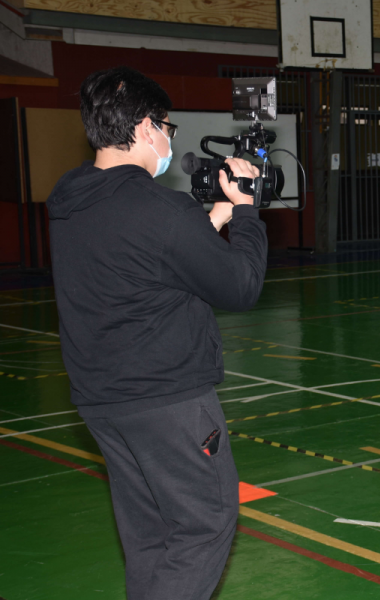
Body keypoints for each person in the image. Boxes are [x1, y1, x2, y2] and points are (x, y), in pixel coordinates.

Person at [47, 66, 268, 600]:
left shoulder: (71, 200)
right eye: (168, 127)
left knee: (150, 535)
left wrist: (206, 223)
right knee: (203, 525)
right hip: (166, 398)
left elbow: (139, 260)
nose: (170, 139)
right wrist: (245, 213)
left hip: (104, 398)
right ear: (147, 128)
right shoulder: (159, 209)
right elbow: (240, 287)